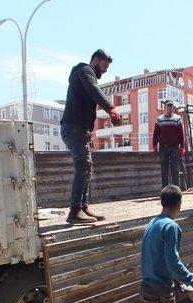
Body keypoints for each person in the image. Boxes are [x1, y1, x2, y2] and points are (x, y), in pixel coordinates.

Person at [61, 49, 122, 224]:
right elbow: (94, 89)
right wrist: (110, 108)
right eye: (103, 66)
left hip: (79, 129)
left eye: (107, 68)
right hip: (73, 128)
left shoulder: (85, 74)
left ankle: (84, 208)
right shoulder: (84, 70)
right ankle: (74, 211)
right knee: (83, 166)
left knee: (87, 168)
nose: (104, 71)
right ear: (95, 60)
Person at [152, 100, 185, 188]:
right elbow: (155, 134)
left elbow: (181, 135)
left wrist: (182, 148)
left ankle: (176, 192)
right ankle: (165, 192)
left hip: (174, 148)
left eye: (171, 106)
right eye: (168, 106)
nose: (169, 107)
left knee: (175, 170)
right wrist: (154, 146)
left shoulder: (177, 119)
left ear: (172, 108)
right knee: (164, 170)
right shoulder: (159, 119)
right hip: (163, 148)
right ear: (164, 107)